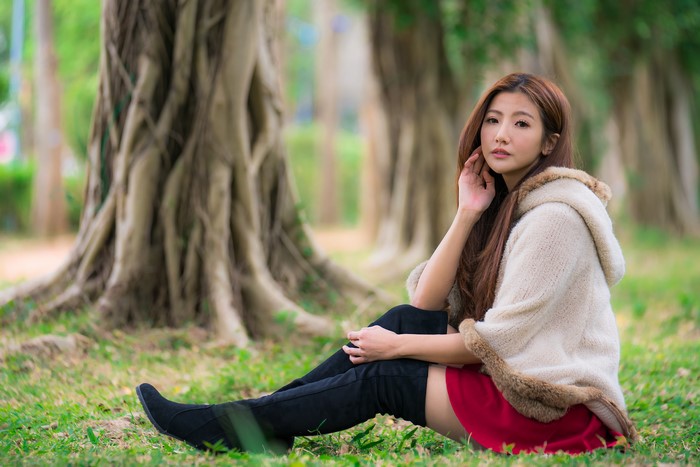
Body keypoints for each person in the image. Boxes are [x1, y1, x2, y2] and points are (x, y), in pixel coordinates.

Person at [136, 72, 637, 455]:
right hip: (516, 390)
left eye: (521, 123)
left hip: (555, 411)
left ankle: (229, 425)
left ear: (550, 142)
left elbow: (497, 341)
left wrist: (396, 348)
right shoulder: (506, 209)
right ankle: (260, 423)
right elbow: (425, 303)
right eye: (493, 119)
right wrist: (467, 213)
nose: (500, 134)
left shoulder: (555, 221)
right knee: (401, 318)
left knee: (385, 372)